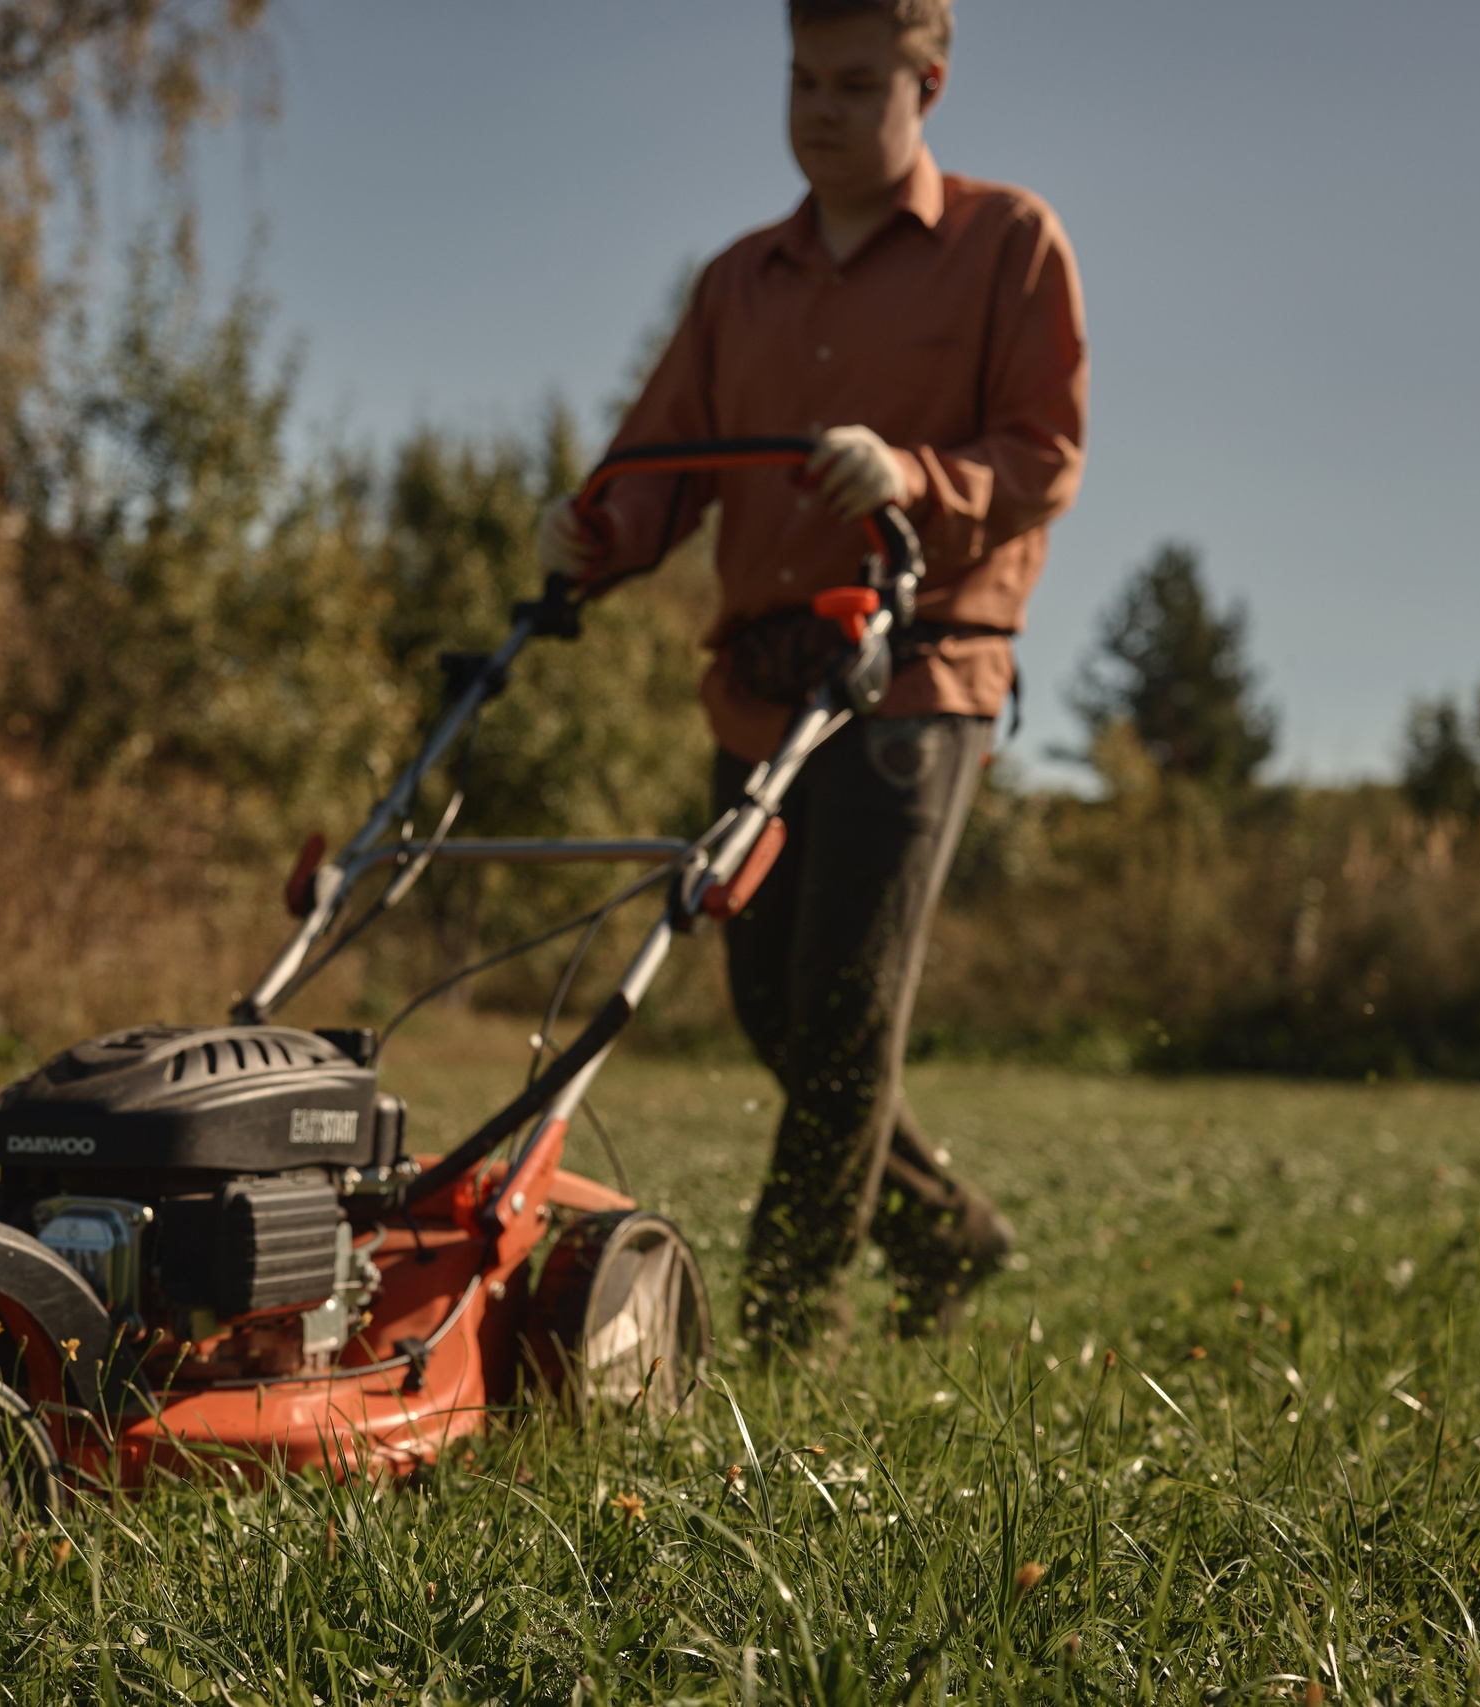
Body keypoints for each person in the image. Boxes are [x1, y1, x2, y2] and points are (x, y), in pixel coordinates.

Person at [537, 0, 1087, 1352]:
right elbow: (659, 466)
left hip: (919, 672)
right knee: (773, 1002)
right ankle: (946, 1230)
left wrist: (913, 475)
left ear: (927, 85)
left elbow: (1044, 454)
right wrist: (590, 535)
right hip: (767, 685)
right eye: (803, 81)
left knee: (847, 998)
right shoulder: (740, 283)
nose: (820, 111)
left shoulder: (1008, 245)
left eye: (854, 85)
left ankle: (792, 1322)